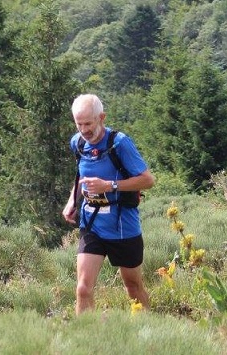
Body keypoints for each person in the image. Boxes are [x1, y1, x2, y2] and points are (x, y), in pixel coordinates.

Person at [60, 93, 156, 314]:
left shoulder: (119, 143)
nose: (83, 129)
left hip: (122, 224)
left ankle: (147, 329)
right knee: (83, 289)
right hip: (92, 223)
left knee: (133, 286)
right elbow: (81, 176)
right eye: (79, 123)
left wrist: (109, 186)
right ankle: (86, 339)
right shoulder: (77, 143)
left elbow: (148, 180)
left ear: (101, 117)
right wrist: (72, 201)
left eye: (88, 123)